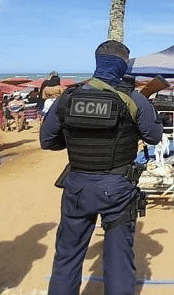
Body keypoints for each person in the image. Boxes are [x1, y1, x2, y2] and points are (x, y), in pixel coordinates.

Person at [40, 40, 162, 295]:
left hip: (77, 187)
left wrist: (74, 138)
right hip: (117, 189)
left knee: (67, 258)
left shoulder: (70, 96)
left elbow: (47, 140)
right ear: (122, 66)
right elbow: (153, 137)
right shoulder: (133, 99)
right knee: (118, 261)